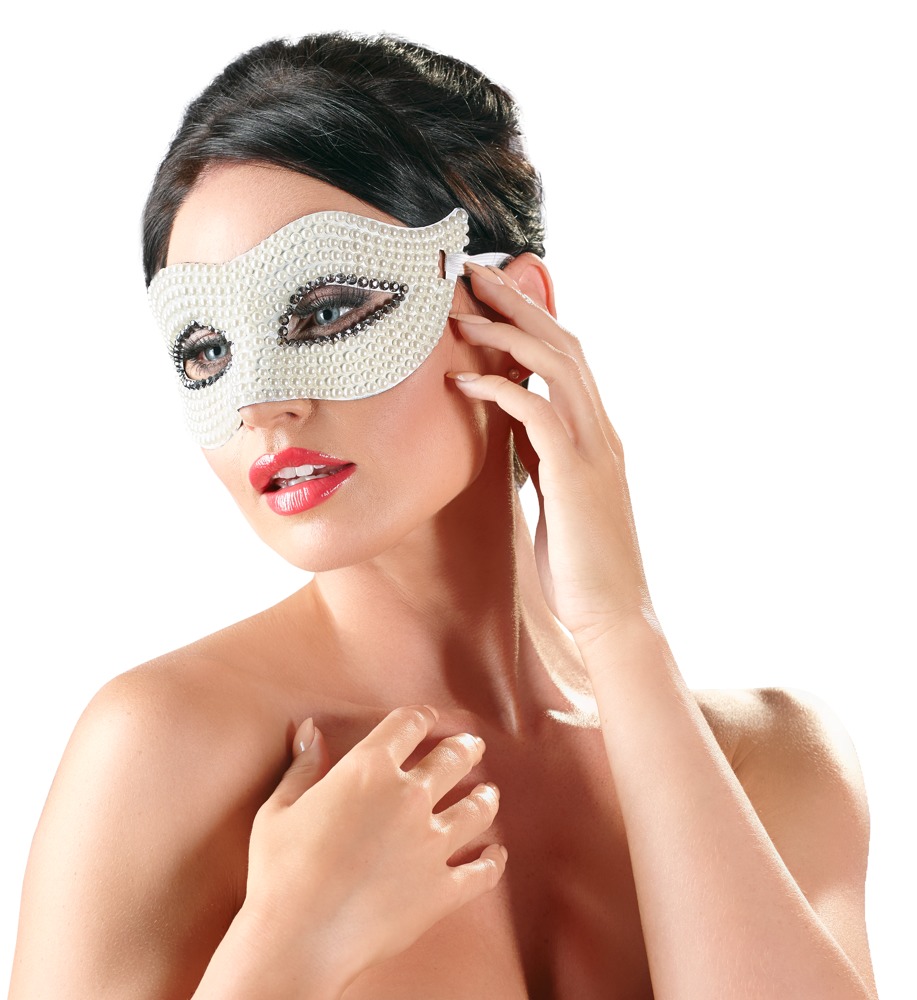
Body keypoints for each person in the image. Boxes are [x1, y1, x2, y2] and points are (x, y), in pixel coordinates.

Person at [9, 32, 877, 1000]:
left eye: (326, 311)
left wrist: (619, 627)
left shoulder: (768, 758)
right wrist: (286, 951)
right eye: (207, 348)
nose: (259, 403)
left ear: (505, 314)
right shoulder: (164, 745)